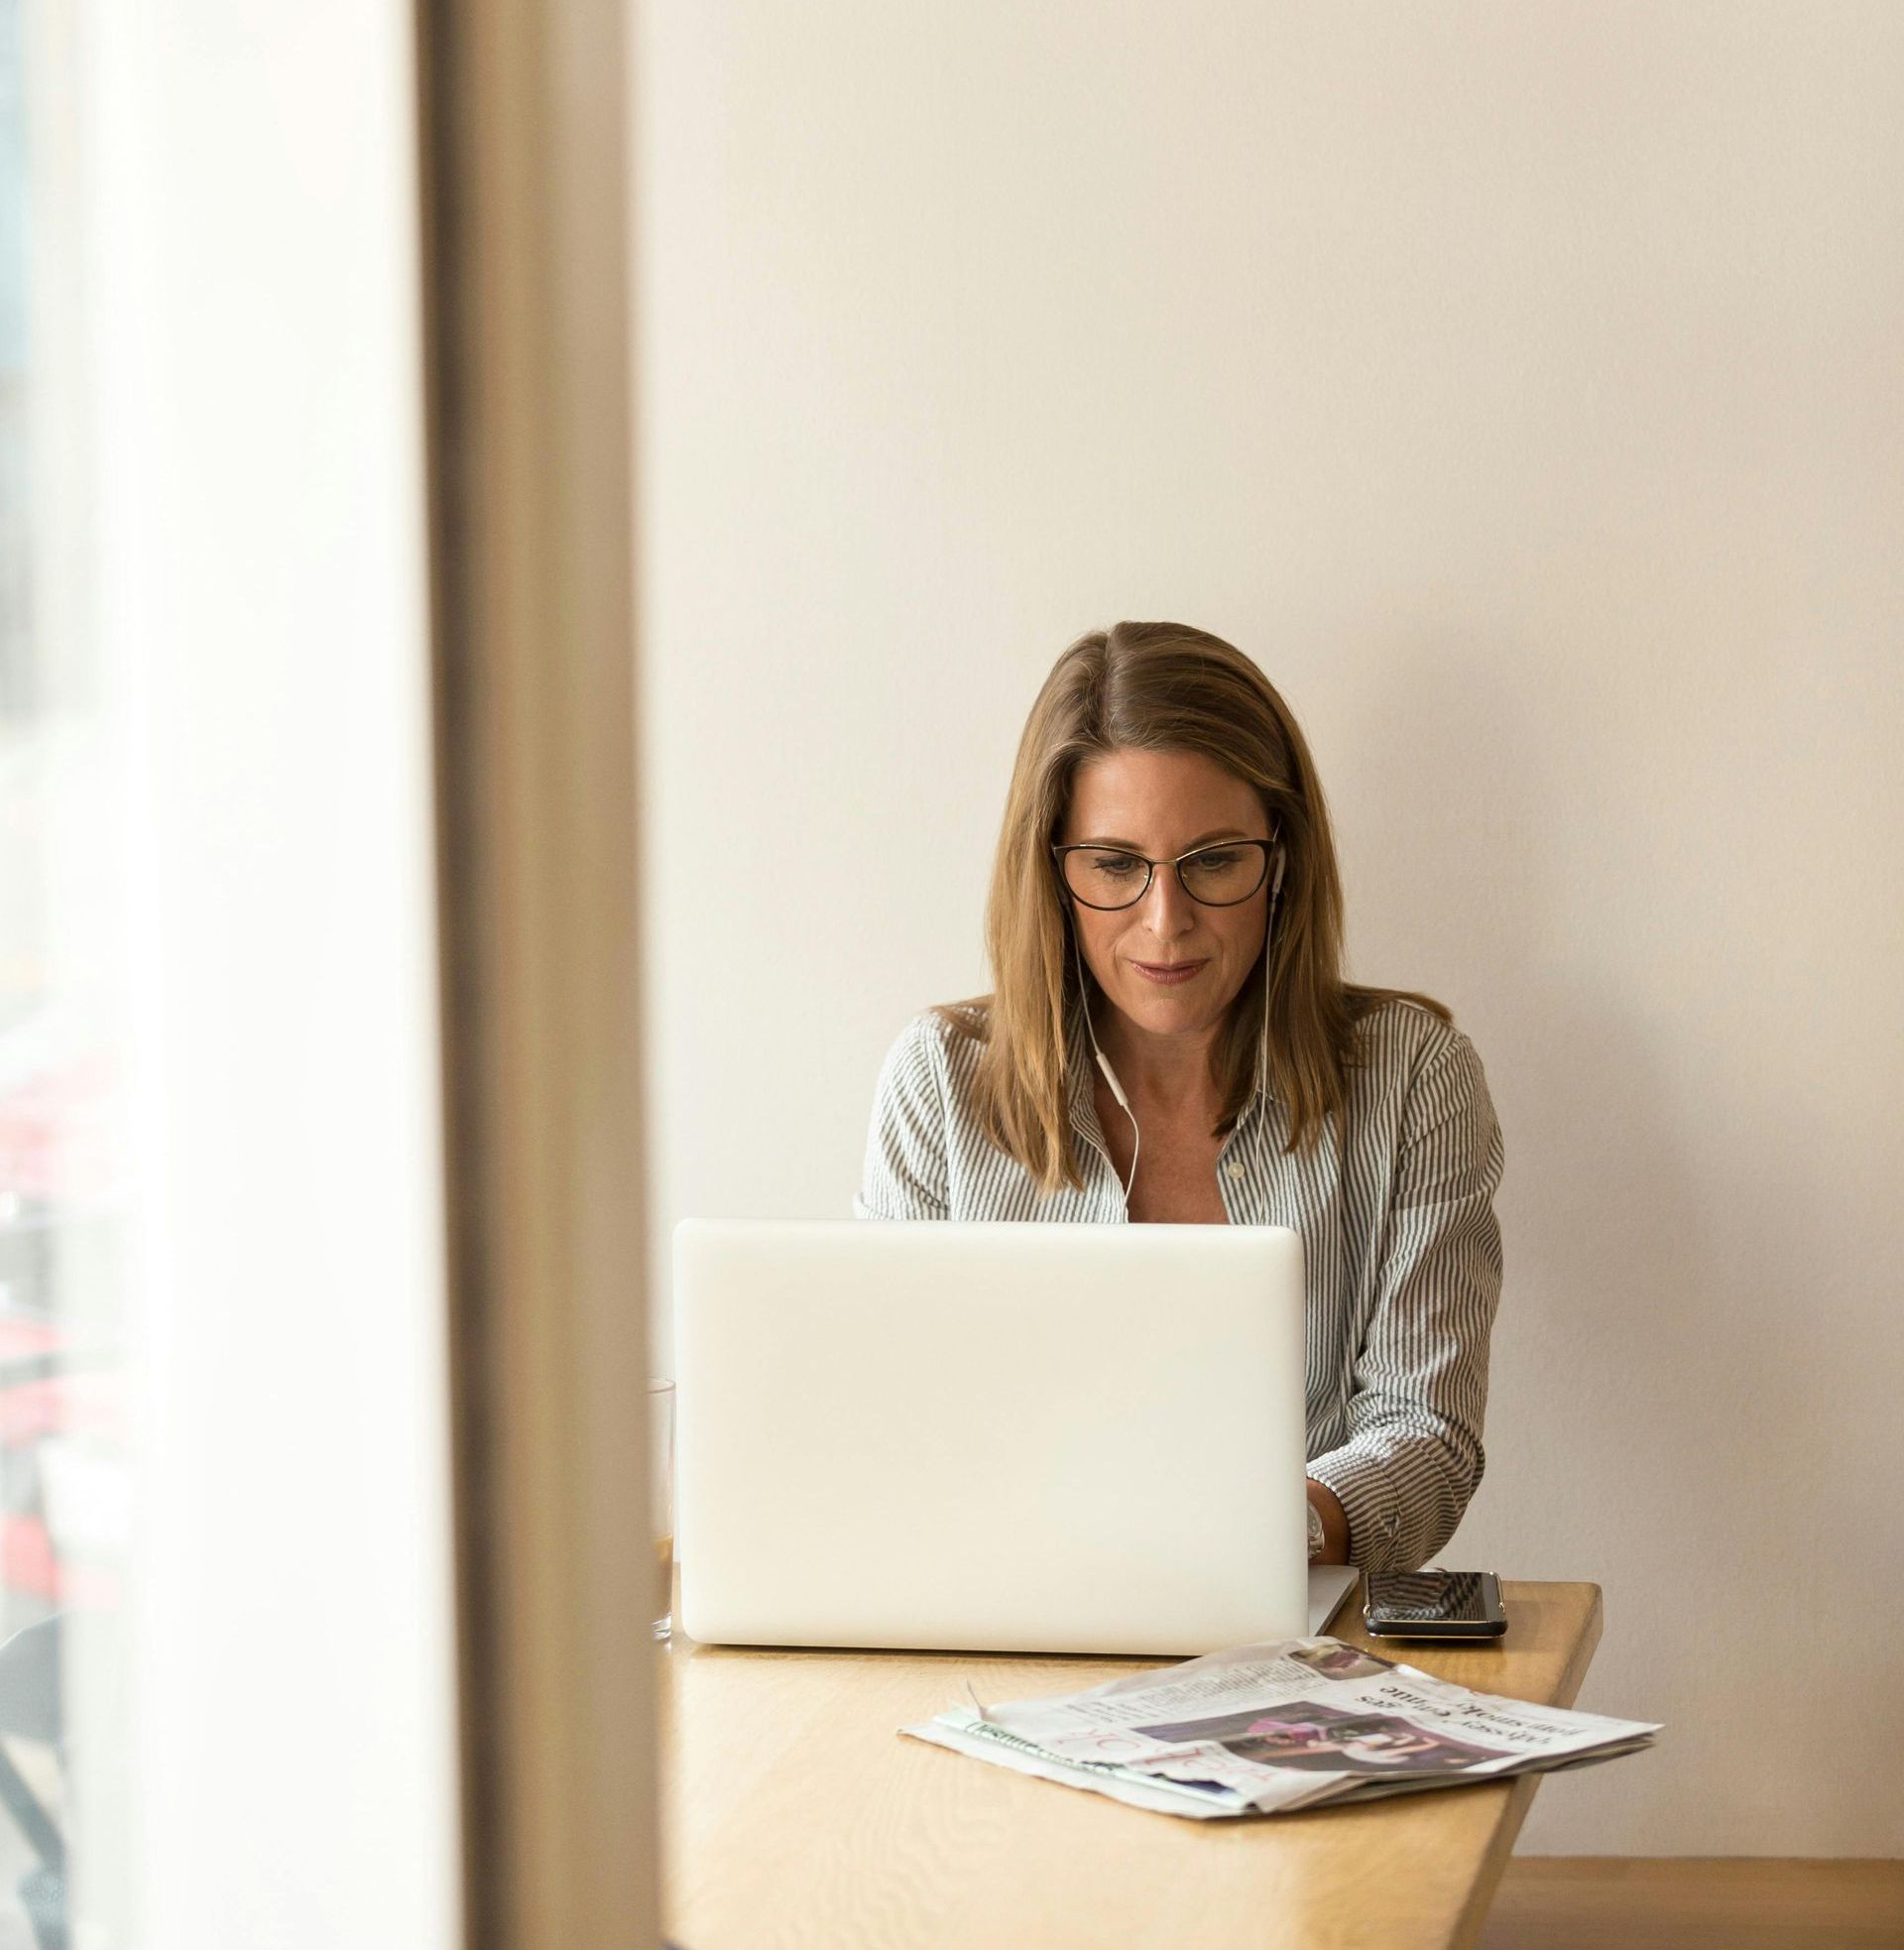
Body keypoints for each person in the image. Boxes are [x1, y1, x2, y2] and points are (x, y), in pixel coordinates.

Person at [851, 621, 1505, 1575]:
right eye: (1115, 866)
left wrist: (1257, 1536)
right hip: (998, 1622)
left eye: (1213, 861)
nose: (1166, 924)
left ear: (1281, 858)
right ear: (1052, 872)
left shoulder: (1412, 1078)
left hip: (1295, 1639)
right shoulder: (940, 1082)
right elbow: (886, 1425)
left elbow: (1427, 1436)